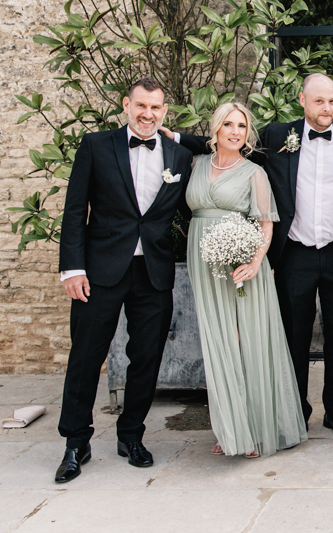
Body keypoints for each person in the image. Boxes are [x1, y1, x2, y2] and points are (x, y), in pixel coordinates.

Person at [170, 73, 333, 440]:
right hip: (293, 252)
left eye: (332, 101)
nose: (326, 108)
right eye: (319, 101)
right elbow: (229, 144)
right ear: (302, 100)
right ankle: (295, 409)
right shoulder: (278, 134)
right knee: (293, 336)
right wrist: (171, 137)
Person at [56, 77, 193, 483]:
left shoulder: (179, 155)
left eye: (155, 108)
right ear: (126, 105)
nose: (147, 114)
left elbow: (223, 145)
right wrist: (72, 268)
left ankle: (131, 435)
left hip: (152, 272)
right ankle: (75, 442)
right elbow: (74, 209)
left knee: (146, 358)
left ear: (165, 111)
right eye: (141, 106)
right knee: (85, 357)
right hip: (99, 272)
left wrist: (181, 135)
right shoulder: (97, 146)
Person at [184, 102, 307, 458]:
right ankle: (230, 427)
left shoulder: (254, 172)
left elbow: (266, 222)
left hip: (242, 265)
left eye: (241, 126)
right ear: (216, 129)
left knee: (243, 341)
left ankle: (253, 429)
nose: (235, 132)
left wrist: (255, 263)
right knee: (217, 341)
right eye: (228, 125)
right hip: (203, 261)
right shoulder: (196, 164)